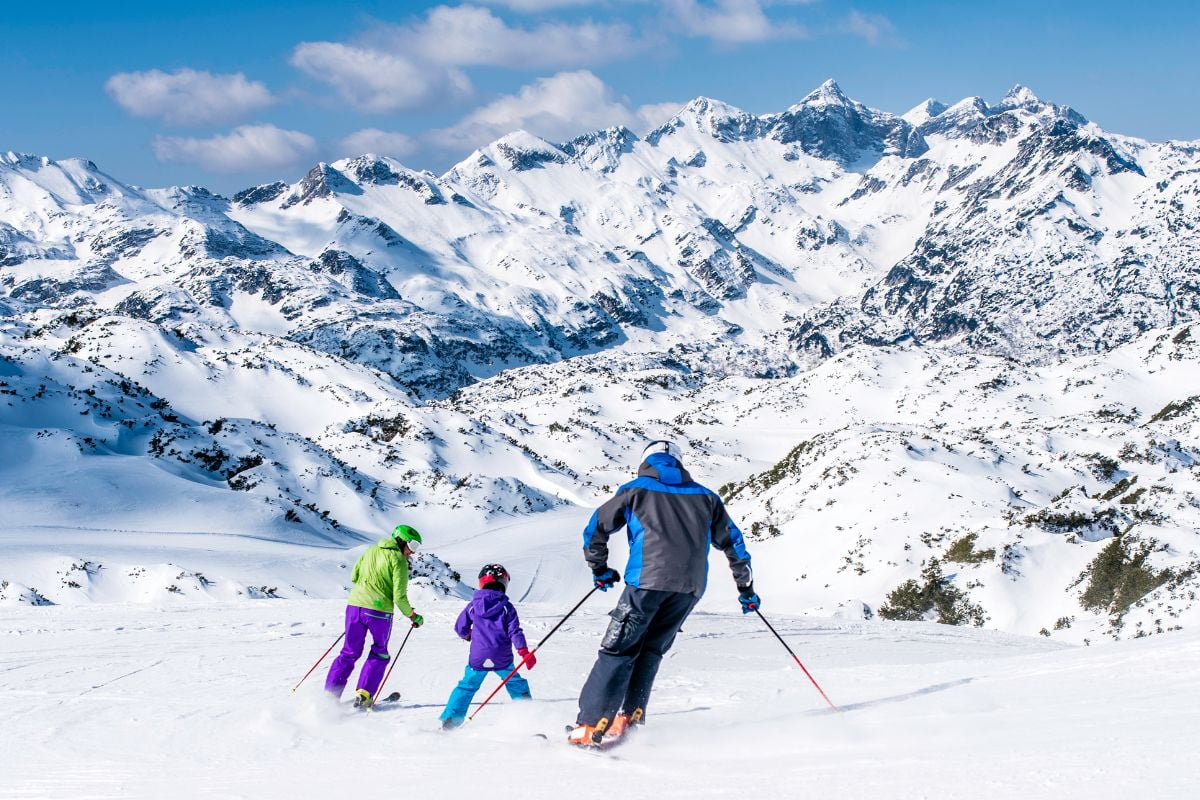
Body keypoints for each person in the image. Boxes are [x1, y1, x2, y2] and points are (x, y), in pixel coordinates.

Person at [569, 440, 759, 747]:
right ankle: (627, 718)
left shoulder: (636, 490)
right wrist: (745, 588)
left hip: (646, 582)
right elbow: (734, 543)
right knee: (650, 650)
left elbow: (596, 529)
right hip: (689, 589)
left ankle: (590, 725)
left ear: (646, 461)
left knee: (618, 650)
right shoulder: (706, 497)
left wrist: (599, 569)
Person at [324, 524, 425, 709]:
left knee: (349, 652)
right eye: (412, 545)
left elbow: (354, 577)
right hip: (378, 612)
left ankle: (330, 695)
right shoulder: (398, 560)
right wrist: (413, 616)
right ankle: (364, 694)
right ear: (401, 539)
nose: (412, 552)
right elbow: (399, 596)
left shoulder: (370, 551)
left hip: (354, 607)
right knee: (379, 652)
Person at [438, 564, 536, 729]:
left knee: (467, 686)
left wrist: (469, 636)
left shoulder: (473, 606)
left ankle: (451, 720)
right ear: (504, 583)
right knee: (515, 682)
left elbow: (460, 627)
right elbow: (515, 632)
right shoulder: (506, 607)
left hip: (478, 658)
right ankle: (526, 715)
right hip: (502, 658)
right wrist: (524, 651)